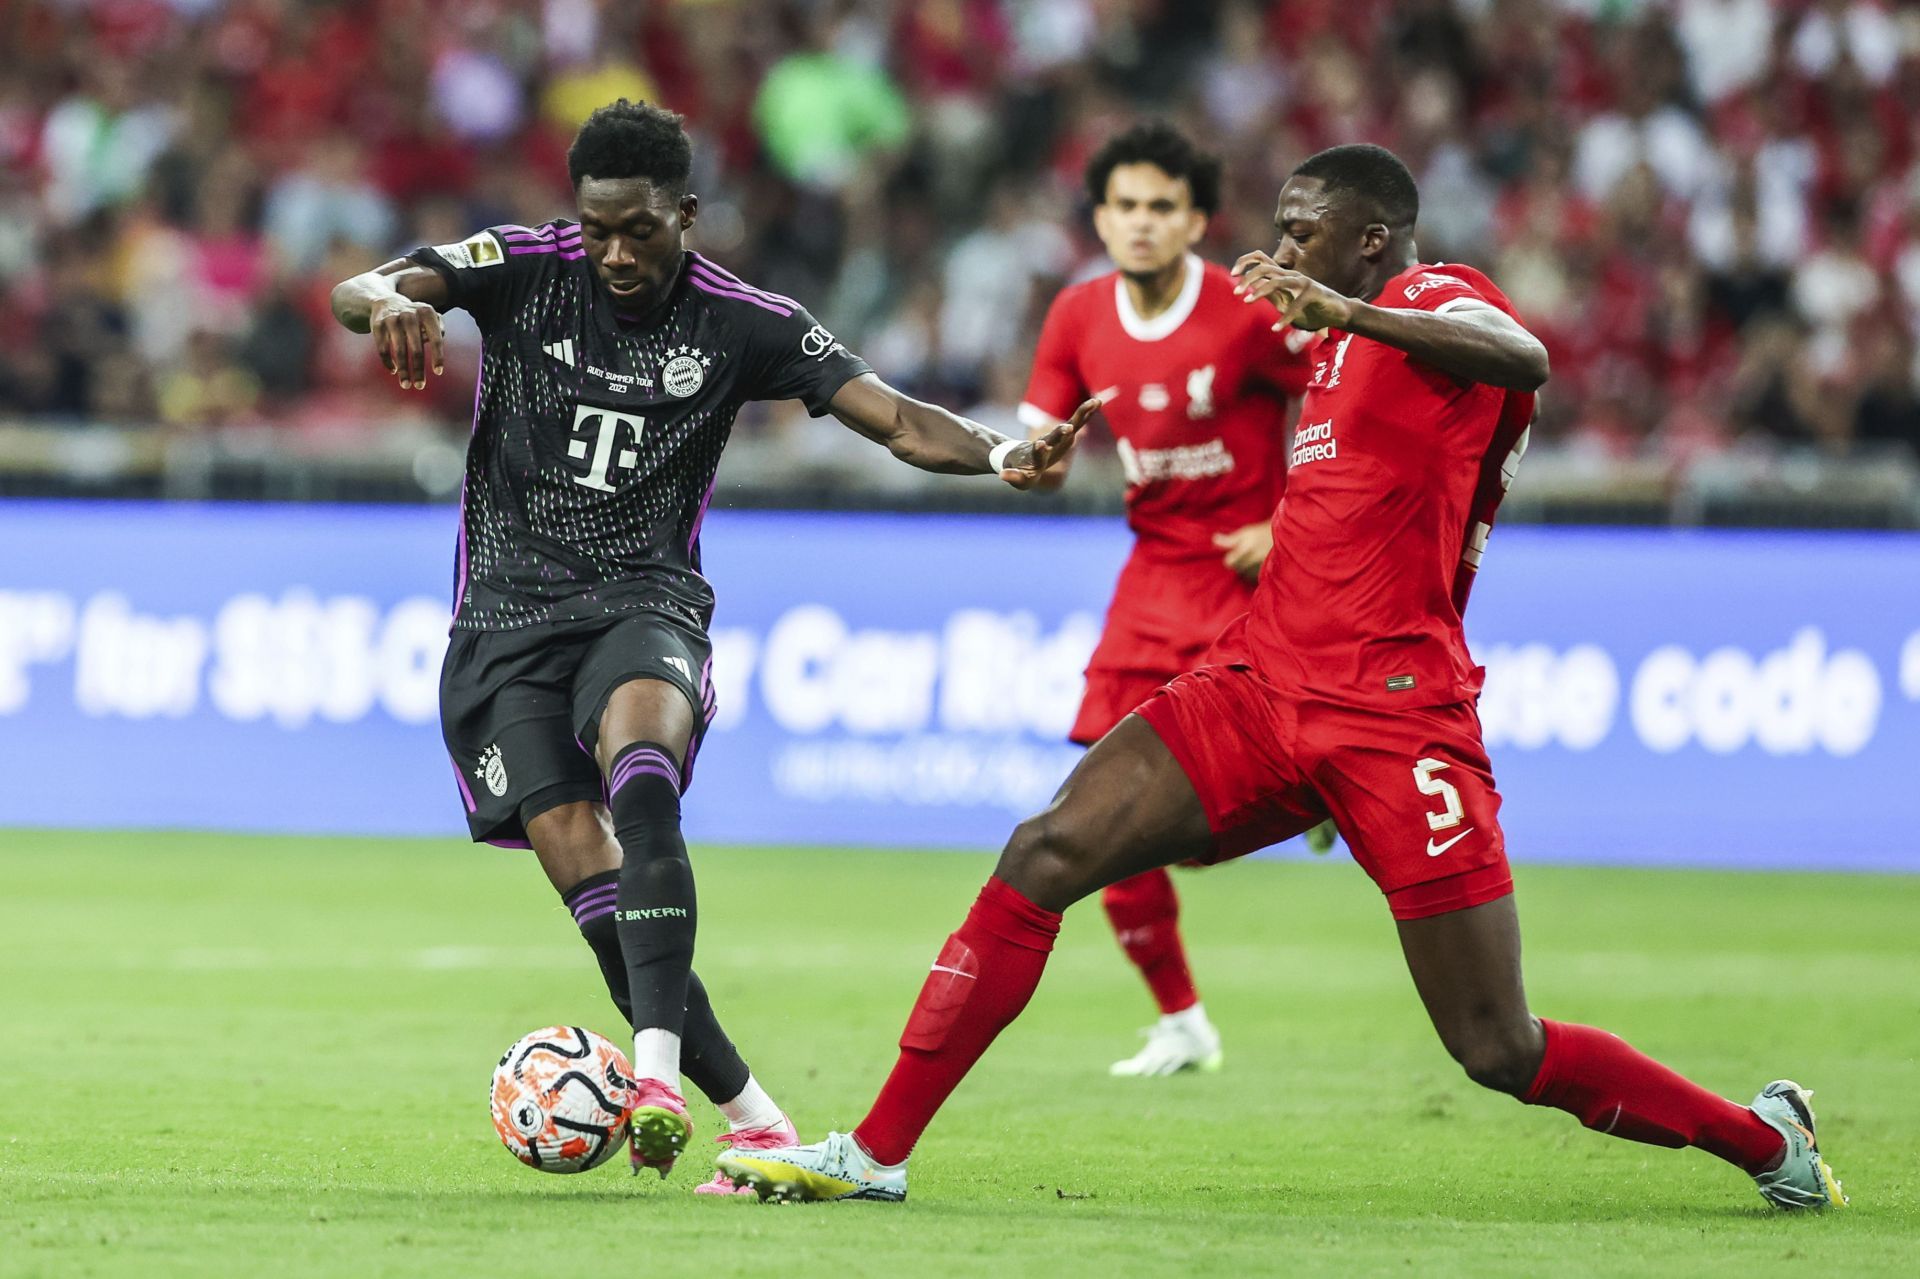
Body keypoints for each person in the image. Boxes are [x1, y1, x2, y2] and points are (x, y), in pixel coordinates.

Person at [717, 144, 1845, 1212]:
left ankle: (1763, 1139)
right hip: (1258, 682)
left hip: (1396, 711)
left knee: (1494, 1044)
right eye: (1281, 231)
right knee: (1043, 850)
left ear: (1374, 239)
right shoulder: (1324, 346)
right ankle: (873, 1154)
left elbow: (1528, 358)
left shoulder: (1438, 296)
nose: (1286, 250)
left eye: (1306, 233)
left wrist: (1351, 310)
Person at [328, 100, 1088, 1194]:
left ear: (685, 214)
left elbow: (894, 417)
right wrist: (394, 296)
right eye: (598, 230)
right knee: (583, 868)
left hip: (644, 600)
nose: (616, 253)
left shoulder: (743, 321)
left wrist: (1005, 451)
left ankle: (654, 1080)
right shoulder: (523, 265)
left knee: (644, 781)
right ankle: (761, 1120)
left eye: (640, 229)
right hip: (504, 622)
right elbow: (361, 288)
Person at [1018, 120, 1325, 1077]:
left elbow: (1346, 406)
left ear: (1195, 219)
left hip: (1246, 590)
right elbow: (1039, 447)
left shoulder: (1244, 312)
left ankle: (1314, 787)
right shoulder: (1077, 315)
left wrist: (1289, 522)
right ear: (1101, 219)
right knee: (1097, 815)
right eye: (1124, 207)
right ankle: (1183, 1019)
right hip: (1149, 580)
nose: (1141, 223)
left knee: (1190, 817)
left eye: (1161, 207)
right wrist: (1034, 462)